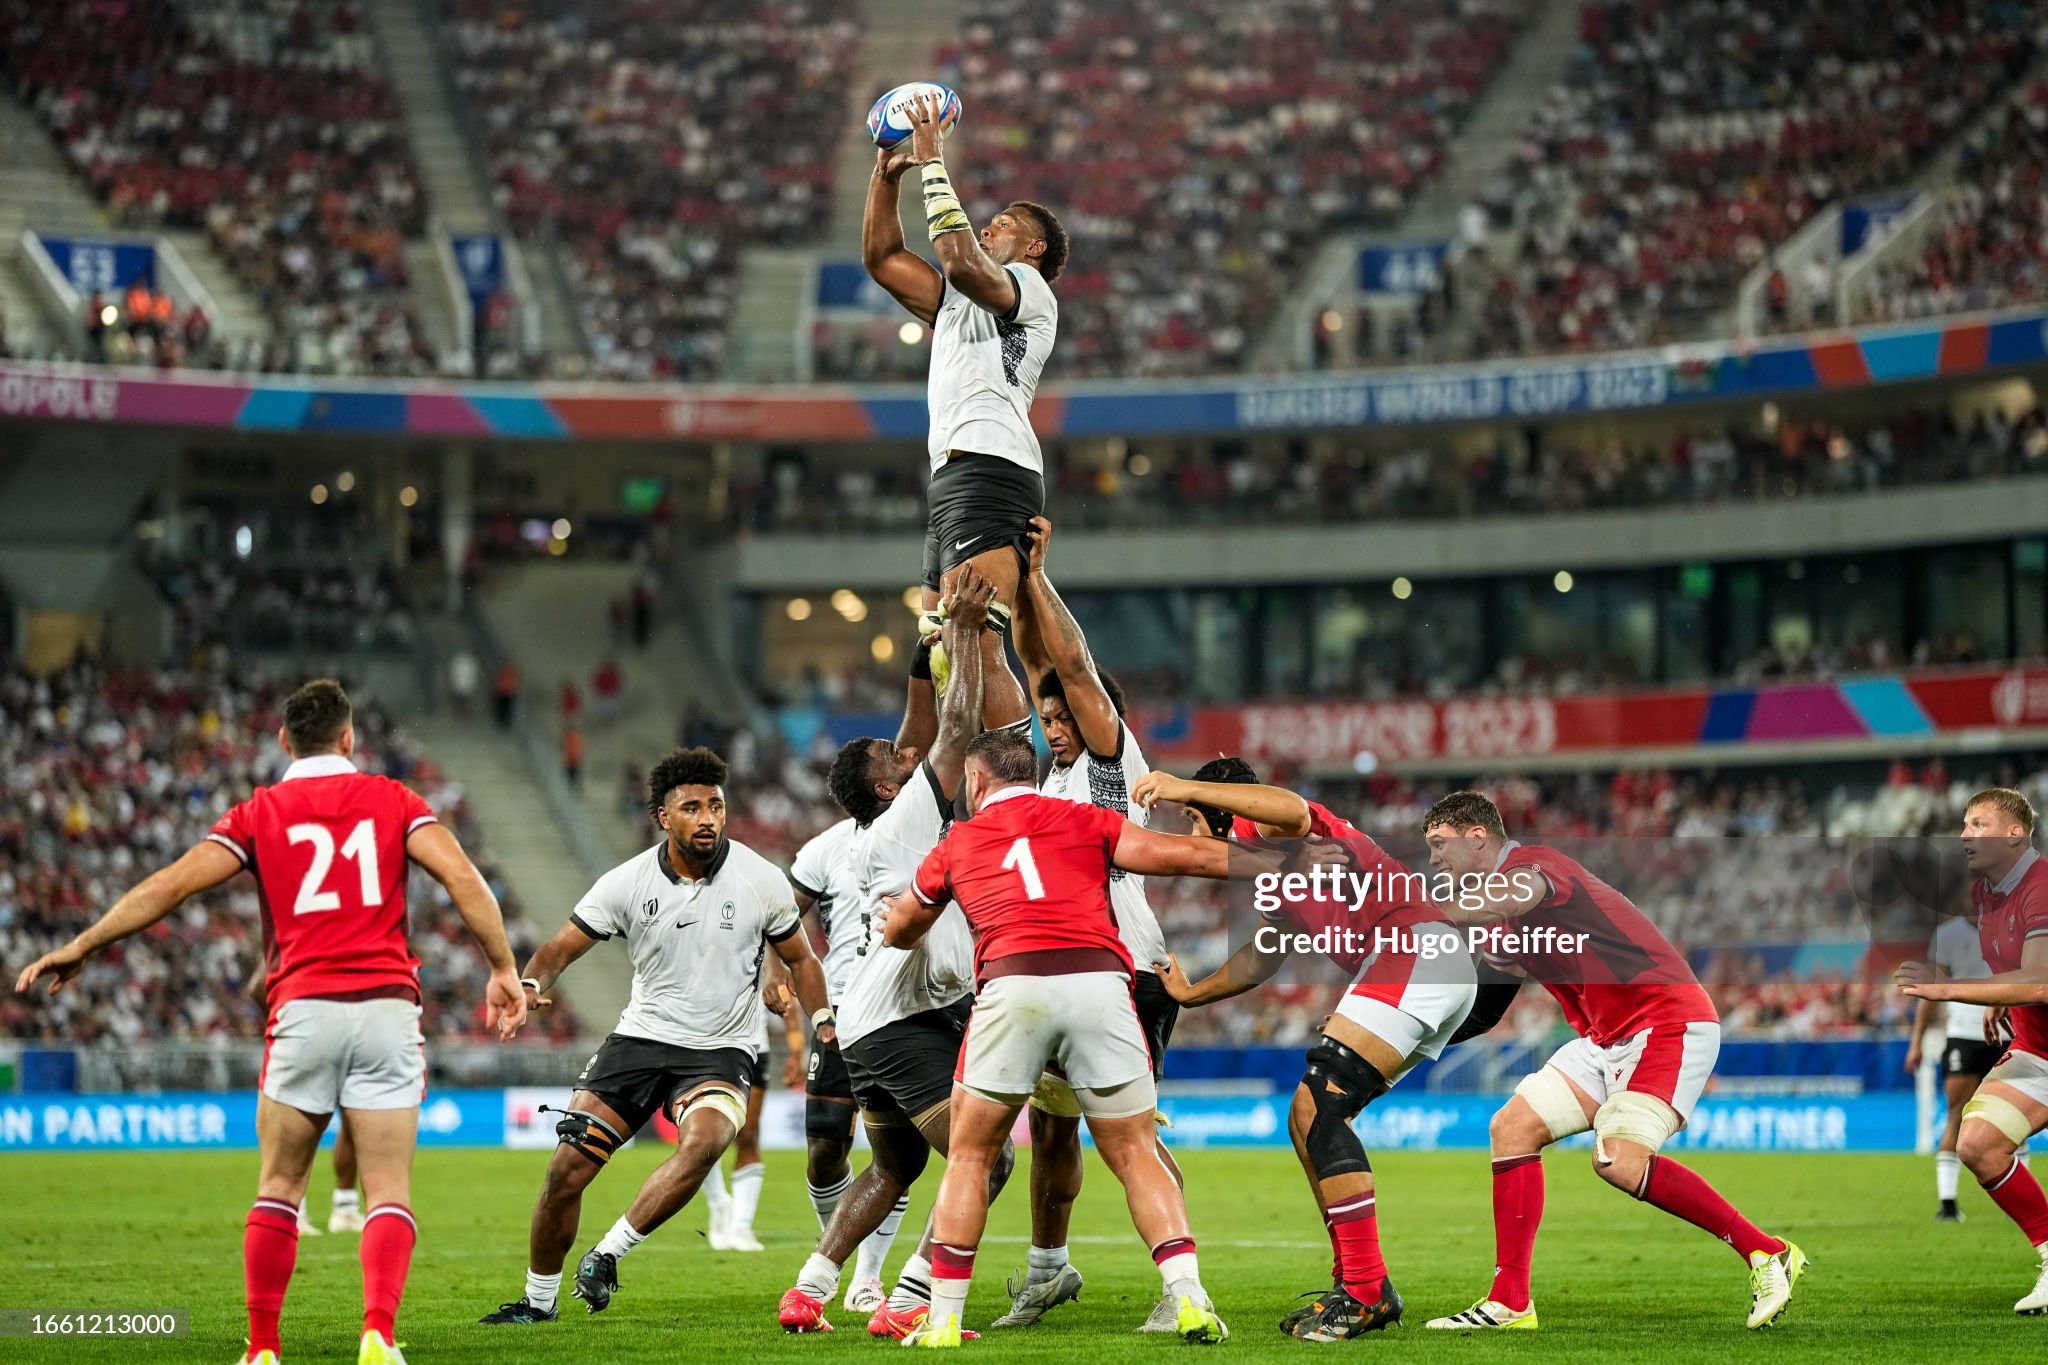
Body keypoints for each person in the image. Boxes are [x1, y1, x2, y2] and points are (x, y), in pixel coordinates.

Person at [15, 678, 527, 1365]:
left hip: (304, 1007)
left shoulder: (259, 811)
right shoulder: (393, 799)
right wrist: (500, 967)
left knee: (280, 1185)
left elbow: (171, 884)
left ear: (284, 740)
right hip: (385, 1007)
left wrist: (84, 943)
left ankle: (261, 1347)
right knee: (388, 1187)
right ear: (349, 738)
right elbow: (463, 877)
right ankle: (377, 1331)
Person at [880, 728, 1248, 1346]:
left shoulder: (960, 839)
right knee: (1134, 1151)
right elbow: (1185, 856)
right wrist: (1285, 864)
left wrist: (895, 912)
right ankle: (1189, 1297)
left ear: (975, 782)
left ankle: (941, 1320)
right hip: (1101, 984)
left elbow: (902, 930)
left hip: (1012, 985)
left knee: (971, 1156)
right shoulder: (1085, 817)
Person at [1419, 790, 1806, 1332]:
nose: (1434, 859)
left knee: (1618, 1162)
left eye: (1439, 844)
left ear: (1477, 836)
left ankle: (1767, 1251)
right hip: (1604, 1040)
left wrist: (1418, 913)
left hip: (1666, 1022)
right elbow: (1485, 1012)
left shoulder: (1536, 867)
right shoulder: (1496, 922)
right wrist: (1405, 1043)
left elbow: (1508, 898)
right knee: (1512, 1128)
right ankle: (1510, 1303)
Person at [478, 747, 835, 1324]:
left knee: (709, 1139)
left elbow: (802, 959)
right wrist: (528, 983)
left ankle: (608, 1253)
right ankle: (537, 1306)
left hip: (721, 1048)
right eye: (692, 807)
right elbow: (559, 949)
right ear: (664, 818)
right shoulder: (626, 883)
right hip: (639, 1041)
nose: (708, 818)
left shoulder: (760, 878)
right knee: (566, 1171)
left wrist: (821, 1023)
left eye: (716, 806)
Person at [1140, 759, 1479, 1340]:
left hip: (1413, 952)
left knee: (1320, 1107)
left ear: (1225, 808)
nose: (1196, 835)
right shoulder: (1278, 873)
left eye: (1197, 819)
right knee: (1305, 1117)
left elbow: (1293, 810)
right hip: (1410, 960)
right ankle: (1357, 1279)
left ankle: (1368, 1291)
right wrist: (1193, 994)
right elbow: (1263, 954)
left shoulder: (1267, 829)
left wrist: (1179, 786)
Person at [778, 572, 1006, 1337]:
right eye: (892, 753)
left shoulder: (889, 830)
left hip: (875, 1015)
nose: (905, 750)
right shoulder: (908, 815)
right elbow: (961, 723)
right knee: (989, 1158)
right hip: (903, 1018)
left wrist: (934, 645)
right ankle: (909, 1300)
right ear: (885, 784)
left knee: (896, 1166)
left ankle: (809, 1288)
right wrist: (968, 632)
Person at [994, 516, 1181, 1332]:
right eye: (1049, 717)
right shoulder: (1056, 775)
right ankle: (1047, 1270)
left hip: (1126, 967)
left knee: (1125, 1135)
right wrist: (1010, 616)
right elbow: (1041, 666)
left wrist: (1037, 576)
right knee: (1052, 1129)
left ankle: (1183, 1282)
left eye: (1066, 712)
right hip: (1067, 967)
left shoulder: (1111, 760)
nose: (1054, 722)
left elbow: (1066, 662)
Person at [861, 90, 1068, 735]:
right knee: (943, 649)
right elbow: (883, 260)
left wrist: (930, 160)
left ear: (1032, 249)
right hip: (953, 474)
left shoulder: (1030, 291)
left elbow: (957, 257)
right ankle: (952, 790)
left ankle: (1015, 791)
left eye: (1005, 221)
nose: (989, 224)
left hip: (992, 464)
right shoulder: (958, 299)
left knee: (976, 637)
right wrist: (883, 177)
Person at [1897, 786, 2048, 1314]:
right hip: (2039, 1049)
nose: (1964, 834)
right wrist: (2000, 999)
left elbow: (2039, 984)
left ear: (2015, 833)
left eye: (1978, 824)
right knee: (1977, 1144)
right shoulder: (1993, 896)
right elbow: (2025, 978)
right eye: (1964, 824)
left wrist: (1946, 990)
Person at [788, 804, 908, 1312]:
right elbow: (782, 916)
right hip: (839, 1011)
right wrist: (778, 970)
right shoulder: (823, 847)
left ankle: (866, 1277)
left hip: (902, 1009)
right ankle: (840, 1241)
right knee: (823, 1147)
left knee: (894, 1152)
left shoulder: (919, 834)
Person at [1907, 895, 2033, 1221]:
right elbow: (1930, 990)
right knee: (1956, 1114)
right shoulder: (1947, 935)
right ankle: (1947, 1204)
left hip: (2009, 1033)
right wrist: (1916, 1040)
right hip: (1963, 1033)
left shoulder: (2013, 930)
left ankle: (2020, 1203)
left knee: (2016, 1120)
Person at [703, 974, 806, 1253]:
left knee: (748, 1135)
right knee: (703, 1138)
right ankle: (719, 1205)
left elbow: (785, 996)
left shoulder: (763, 939)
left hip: (753, 1047)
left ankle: (741, 1226)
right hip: (703, 1045)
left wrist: (797, 1050)